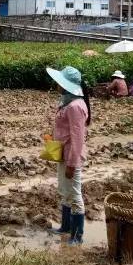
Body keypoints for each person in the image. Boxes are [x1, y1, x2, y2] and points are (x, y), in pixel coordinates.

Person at [46, 65, 91, 246]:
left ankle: (77, 236)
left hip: (72, 157)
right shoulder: (66, 102)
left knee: (74, 194)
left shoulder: (75, 106)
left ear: (65, 85)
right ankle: (65, 227)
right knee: (64, 191)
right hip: (62, 154)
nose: (56, 84)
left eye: (59, 82)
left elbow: (78, 138)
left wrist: (72, 164)